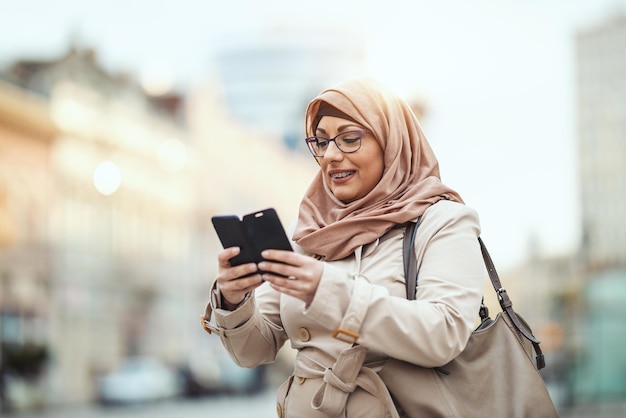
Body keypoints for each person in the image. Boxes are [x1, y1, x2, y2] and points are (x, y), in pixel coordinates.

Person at [201, 76, 485, 417]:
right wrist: (235, 301)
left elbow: (443, 335)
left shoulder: (443, 221)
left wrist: (329, 290)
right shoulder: (309, 232)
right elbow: (252, 352)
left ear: (391, 144)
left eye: (349, 139)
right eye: (321, 142)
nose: (331, 155)